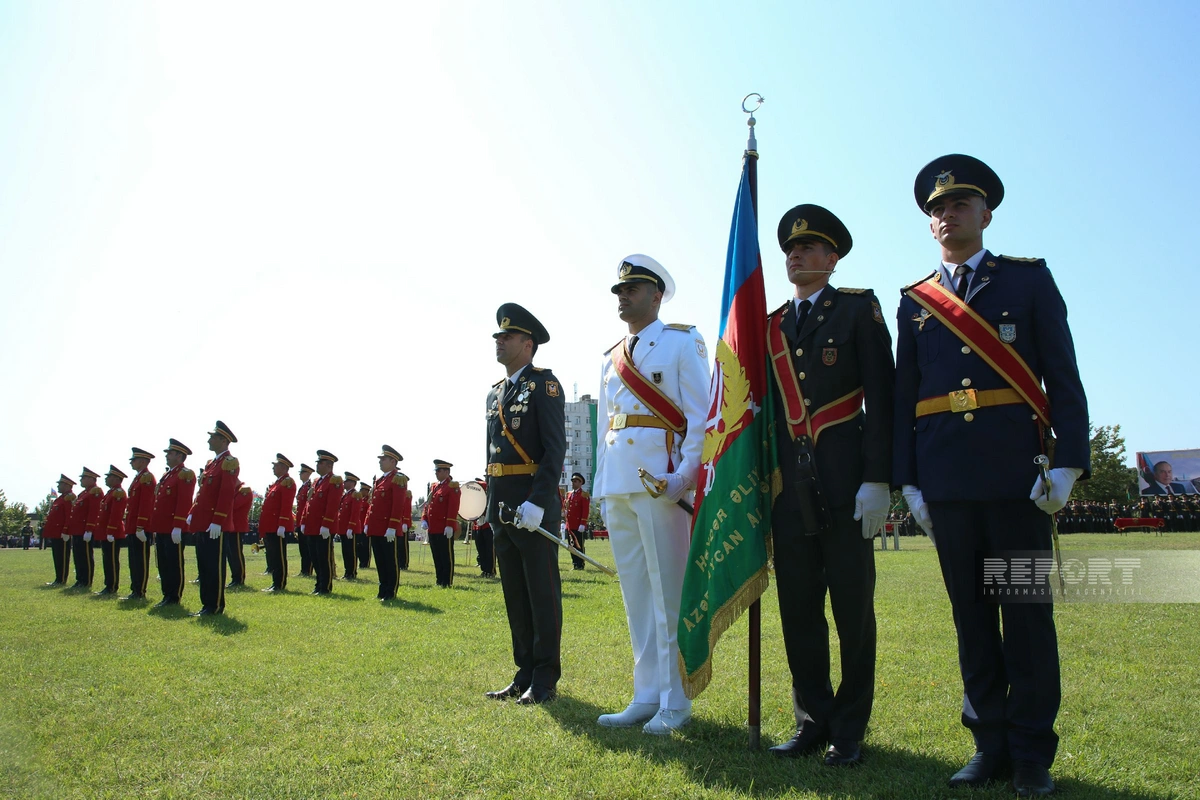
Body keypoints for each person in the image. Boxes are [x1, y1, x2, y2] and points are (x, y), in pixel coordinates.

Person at [893, 155, 1090, 796]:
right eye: (937, 210)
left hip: (1017, 480)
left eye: (959, 205)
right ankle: (988, 744)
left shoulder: (1027, 281)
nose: (947, 216)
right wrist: (909, 481)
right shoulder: (915, 302)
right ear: (930, 224)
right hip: (947, 482)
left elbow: (1063, 376)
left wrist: (1068, 462)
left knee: (1026, 620)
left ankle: (1031, 753)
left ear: (985, 214)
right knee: (972, 620)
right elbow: (904, 397)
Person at [760, 208, 894, 764]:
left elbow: (883, 399)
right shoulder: (770, 327)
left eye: (809, 247)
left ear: (832, 259)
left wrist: (878, 478)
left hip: (847, 485)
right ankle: (812, 719)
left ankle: (849, 728)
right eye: (791, 249)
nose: (796, 254)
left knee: (852, 611)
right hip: (788, 491)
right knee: (798, 609)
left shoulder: (858, 309)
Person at [593, 255, 710, 735]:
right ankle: (645, 695)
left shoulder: (682, 341)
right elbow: (606, 427)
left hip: (662, 483)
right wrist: (601, 487)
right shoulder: (611, 356)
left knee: (668, 594)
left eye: (633, 289)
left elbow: (700, 416)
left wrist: (684, 476)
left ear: (657, 296)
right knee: (637, 595)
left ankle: (675, 700)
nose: (623, 297)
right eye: (619, 291)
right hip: (620, 484)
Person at [484, 303, 567, 705]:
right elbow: (492, 453)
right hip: (502, 507)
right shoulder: (494, 393)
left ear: (527, 344)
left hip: (532, 508)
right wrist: (488, 503)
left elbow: (555, 450)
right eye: (498, 336)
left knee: (541, 594)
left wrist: (538, 502)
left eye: (508, 336)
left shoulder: (543, 385)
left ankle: (545, 677)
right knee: (515, 595)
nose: (499, 342)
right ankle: (524, 672)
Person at [188, 421, 241, 617]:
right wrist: (193, 512)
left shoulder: (229, 462)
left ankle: (215, 605)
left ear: (223, 440)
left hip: (215, 524)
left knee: (214, 566)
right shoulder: (212, 464)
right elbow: (203, 492)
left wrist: (218, 520)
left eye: (213, 437)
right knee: (203, 565)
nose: (209, 440)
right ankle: (206, 604)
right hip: (204, 522)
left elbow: (226, 493)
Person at [151, 439, 196, 607]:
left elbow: (184, 501)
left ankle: (174, 596)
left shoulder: (185, 474)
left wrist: (178, 525)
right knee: (163, 563)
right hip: (162, 527)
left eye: (170, 453)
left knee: (173, 563)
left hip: (173, 528)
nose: (167, 456)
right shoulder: (168, 475)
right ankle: (166, 595)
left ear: (179, 456)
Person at [365, 445, 407, 600]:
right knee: (380, 561)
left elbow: (398, 505)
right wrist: (367, 522)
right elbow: (373, 504)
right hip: (376, 527)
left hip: (387, 528)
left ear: (393, 461)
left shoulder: (398, 478)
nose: (380, 461)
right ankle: (382, 589)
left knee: (390, 561)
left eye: (383, 459)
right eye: (380, 459)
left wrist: (392, 526)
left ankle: (390, 591)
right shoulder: (380, 480)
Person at [301, 450, 342, 595]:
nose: (317, 465)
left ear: (329, 465)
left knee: (323, 557)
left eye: (321, 463)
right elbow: (309, 503)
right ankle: (318, 584)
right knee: (315, 557)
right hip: (312, 526)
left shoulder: (334, 481)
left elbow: (332, 504)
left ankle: (325, 586)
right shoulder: (317, 481)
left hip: (323, 527)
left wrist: (326, 524)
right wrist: (304, 521)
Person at [122, 447, 157, 601]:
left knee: (140, 560)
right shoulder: (138, 478)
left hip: (140, 526)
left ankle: (140, 590)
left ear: (143, 461)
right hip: (133, 526)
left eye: (134, 460)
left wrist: (141, 525)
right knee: (133, 560)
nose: (131, 462)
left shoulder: (146, 478)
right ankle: (135, 589)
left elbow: (146, 503)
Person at [259, 454, 297, 593]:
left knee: (279, 556)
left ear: (283, 467)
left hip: (277, 526)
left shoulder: (287, 482)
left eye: (275, 465)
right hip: (270, 525)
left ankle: (279, 583)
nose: (273, 468)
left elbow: (286, 505)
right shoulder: (277, 483)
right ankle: (275, 582)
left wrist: (282, 524)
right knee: (272, 555)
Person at [421, 460, 461, 587]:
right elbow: (428, 505)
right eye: (436, 471)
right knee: (437, 555)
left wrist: (450, 524)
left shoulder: (452, 486)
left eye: (439, 471)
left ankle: (447, 581)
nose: (436, 473)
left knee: (446, 555)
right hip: (433, 527)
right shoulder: (435, 487)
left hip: (444, 527)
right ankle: (439, 580)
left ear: (447, 472)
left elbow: (453, 507)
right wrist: (424, 518)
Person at [95, 466, 129, 596]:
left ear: (116, 478)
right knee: (107, 559)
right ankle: (108, 585)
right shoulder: (111, 493)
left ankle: (112, 586)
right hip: (107, 532)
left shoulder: (118, 492)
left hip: (113, 532)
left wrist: (111, 531)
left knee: (112, 560)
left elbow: (116, 513)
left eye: (109, 477)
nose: (106, 479)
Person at [67, 467, 103, 589]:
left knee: (85, 556)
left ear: (91, 479)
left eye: (84, 478)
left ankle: (86, 581)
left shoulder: (95, 491)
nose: (81, 480)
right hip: (77, 530)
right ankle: (80, 579)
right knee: (78, 556)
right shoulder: (83, 493)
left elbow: (94, 512)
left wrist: (89, 529)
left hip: (85, 530)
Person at [43, 475, 76, 585]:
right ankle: (58, 578)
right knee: (57, 556)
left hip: (62, 533)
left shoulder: (69, 498)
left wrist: (66, 531)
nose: (58, 486)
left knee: (62, 557)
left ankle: (61, 579)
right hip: (56, 532)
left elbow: (69, 516)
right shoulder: (60, 499)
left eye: (60, 484)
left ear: (67, 485)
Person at [337, 471, 361, 580]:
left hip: (351, 528)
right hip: (343, 528)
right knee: (345, 551)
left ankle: (352, 572)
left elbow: (355, 513)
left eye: (346, 481)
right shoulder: (345, 495)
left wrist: (351, 527)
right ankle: (347, 572)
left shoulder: (355, 495)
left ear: (352, 482)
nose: (344, 483)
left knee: (351, 551)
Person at [227, 483, 252, 587]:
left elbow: (234, 505)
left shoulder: (244, 490)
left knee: (236, 553)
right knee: (230, 554)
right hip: (229, 526)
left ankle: (239, 578)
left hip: (237, 526)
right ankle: (235, 578)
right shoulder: (234, 489)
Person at [564, 473, 590, 571]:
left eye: (575, 481)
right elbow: (566, 506)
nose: (573, 483)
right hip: (570, 525)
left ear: (580, 483)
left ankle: (580, 564)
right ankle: (575, 563)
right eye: (572, 481)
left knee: (579, 545)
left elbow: (585, 510)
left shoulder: (584, 495)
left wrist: (583, 523)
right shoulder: (569, 494)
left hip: (578, 525)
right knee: (571, 545)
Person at [294, 464, 316, 577]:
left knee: (308, 548)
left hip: (306, 521)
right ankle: (304, 570)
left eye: (302, 472)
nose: (300, 474)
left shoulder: (309, 487)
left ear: (308, 474)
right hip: (300, 521)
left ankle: (308, 570)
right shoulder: (302, 487)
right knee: (302, 548)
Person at [473, 478, 496, 577]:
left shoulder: (488, 495)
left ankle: (491, 570)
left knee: (489, 549)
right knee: (481, 549)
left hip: (487, 525)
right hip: (477, 526)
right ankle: (484, 569)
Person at [356, 480, 373, 570]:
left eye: (362, 490)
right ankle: (361, 562)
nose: (360, 491)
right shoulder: (360, 500)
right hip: (359, 527)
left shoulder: (368, 501)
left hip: (365, 527)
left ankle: (365, 563)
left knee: (366, 546)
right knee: (359, 546)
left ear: (366, 491)